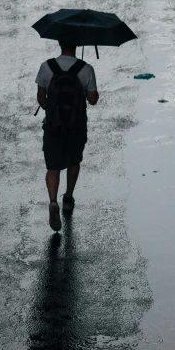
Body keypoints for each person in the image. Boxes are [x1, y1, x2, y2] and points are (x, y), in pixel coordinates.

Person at [35, 41, 99, 231]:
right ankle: (68, 198)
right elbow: (93, 100)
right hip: (76, 127)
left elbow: (41, 98)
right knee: (73, 162)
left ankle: (53, 201)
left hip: (53, 127)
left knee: (53, 166)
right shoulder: (86, 68)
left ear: (60, 43)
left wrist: (51, 110)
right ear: (77, 45)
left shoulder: (47, 66)